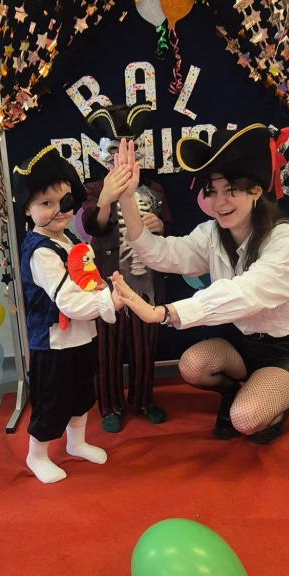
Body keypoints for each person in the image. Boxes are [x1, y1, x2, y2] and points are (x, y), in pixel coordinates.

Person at [111, 124, 289, 445]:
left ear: (255, 191)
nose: (220, 202)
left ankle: (275, 406)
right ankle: (234, 393)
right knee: (192, 365)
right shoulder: (211, 233)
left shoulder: (284, 238)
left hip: (283, 353)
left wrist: (164, 313)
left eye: (231, 190)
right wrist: (125, 199)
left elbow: (246, 293)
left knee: (247, 420)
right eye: (212, 191)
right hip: (239, 345)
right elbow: (162, 253)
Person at [13, 145, 120, 484]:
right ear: (27, 209)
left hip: (82, 335)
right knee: (52, 400)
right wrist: (110, 301)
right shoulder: (40, 252)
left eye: (64, 201)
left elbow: (87, 277)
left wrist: (101, 288)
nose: (58, 210)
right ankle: (36, 455)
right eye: (46, 203)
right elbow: (69, 302)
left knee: (83, 392)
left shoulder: (69, 238)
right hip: (53, 342)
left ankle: (77, 442)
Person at [83, 104, 172, 433]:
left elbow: (168, 230)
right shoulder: (94, 190)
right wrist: (106, 198)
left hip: (145, 285)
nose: (120, 160)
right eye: (114, 153)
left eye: (128, 151)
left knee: (144, 348)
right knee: (106, 350)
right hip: (108, 286)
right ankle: (109, 404)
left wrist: (160, 227)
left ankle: (143, 399)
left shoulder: (154, 190)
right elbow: (93, 226)